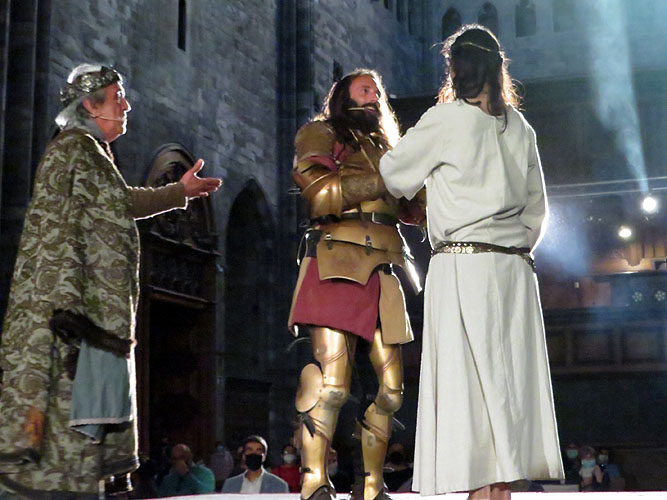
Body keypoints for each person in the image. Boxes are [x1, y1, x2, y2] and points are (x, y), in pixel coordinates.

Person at [0, 63, 221, 498]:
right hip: (76, 317)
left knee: (88, 430)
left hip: (94, 316)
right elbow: (54, 232)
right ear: (89, 105)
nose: (127, 106)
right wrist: (69, 310)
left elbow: (118, 202)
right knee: (69, 422)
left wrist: (180, 192)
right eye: (118, 97)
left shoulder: (92, 154)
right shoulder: (73, 149)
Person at [379, 25, 564, 499]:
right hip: (514, 269)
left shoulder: (445, 120)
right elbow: (536, 210)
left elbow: (393, 174)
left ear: (455, 69)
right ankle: (499, 489)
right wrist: (511, 246)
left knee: (469, 384)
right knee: (508, 383)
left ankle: (483, 490)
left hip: (462, 264)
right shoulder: (520, 128)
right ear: (498, 68)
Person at [288, 68, 424, 500]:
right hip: (337, 260)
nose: (374, 96)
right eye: (365, 89)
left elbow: (412, 209)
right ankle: (313, 481)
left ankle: (371, 486)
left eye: (377, 92)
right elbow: (318, 191)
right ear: (343, 95)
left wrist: (427, 177)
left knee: (391, 392)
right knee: (332, 385)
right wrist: (387, 176)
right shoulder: (320, 132)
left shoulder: (388, 148)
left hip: (386, 268)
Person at [222, 435, 289, 493]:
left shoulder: (279, 485)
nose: (254, 454)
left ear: (264, 456)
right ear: (243, 456)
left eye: (258, 450)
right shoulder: (230, 484)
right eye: (249, 450)